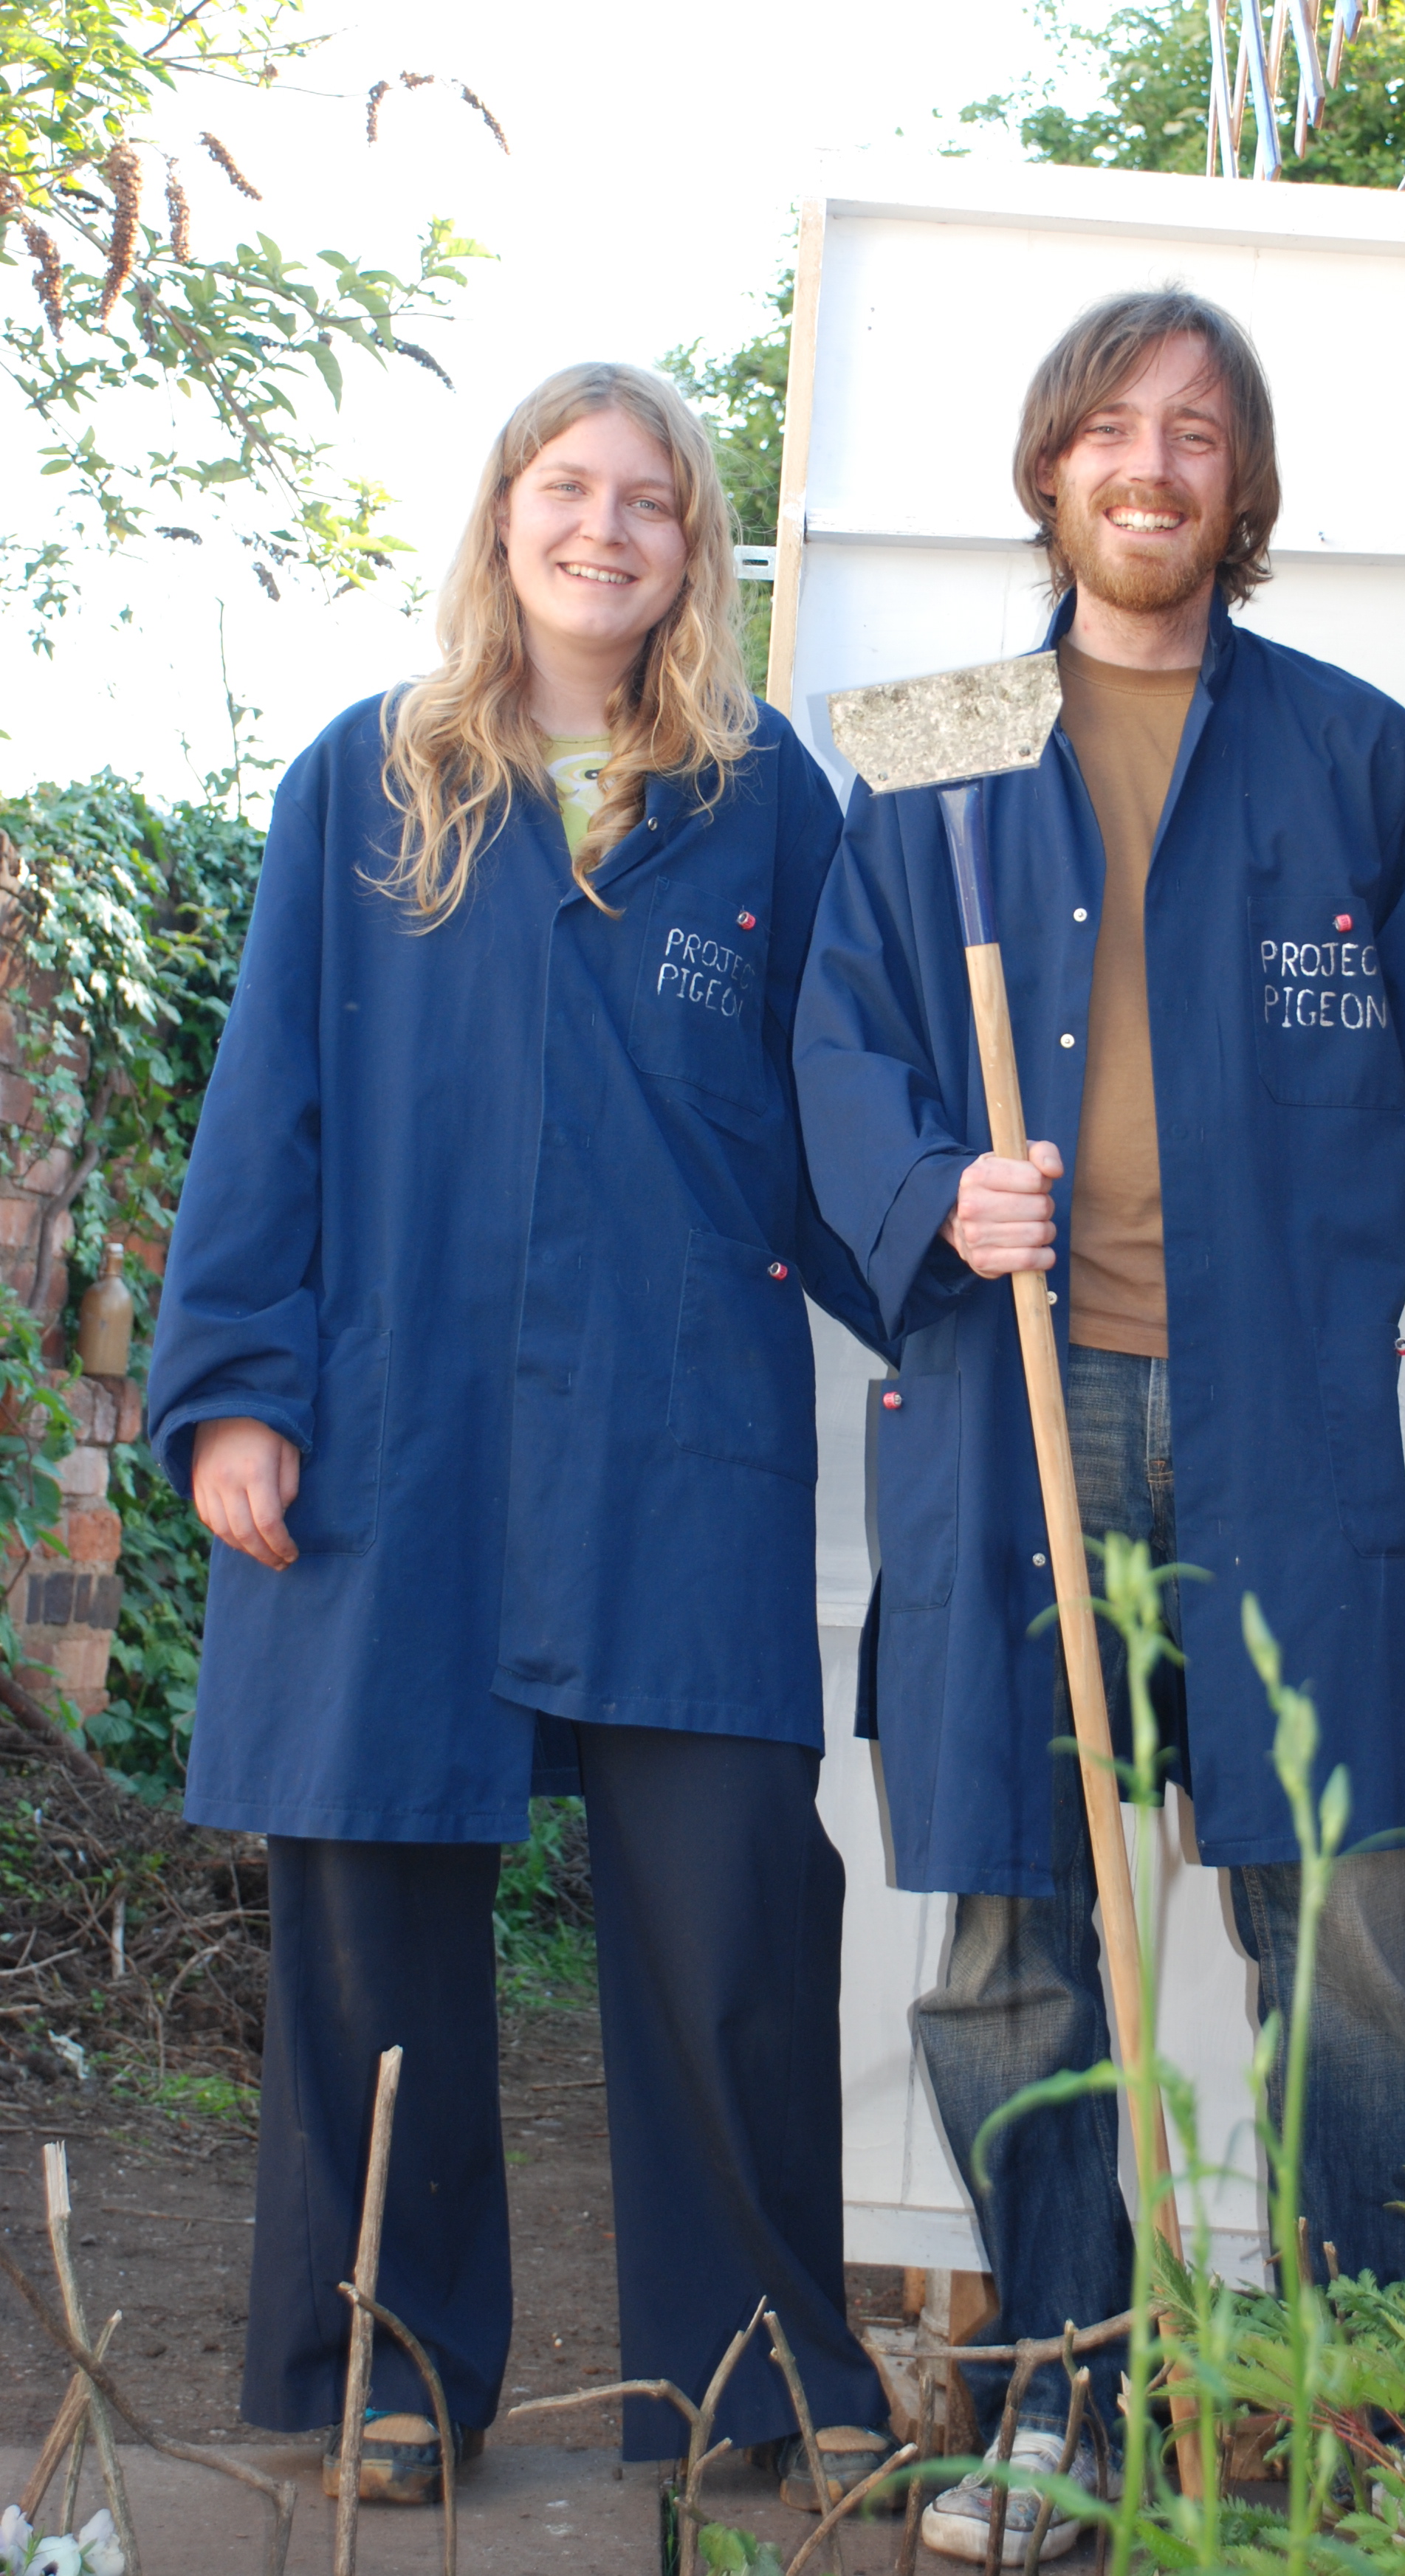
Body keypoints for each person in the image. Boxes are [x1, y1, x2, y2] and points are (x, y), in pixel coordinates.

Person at [147, 362, 894, 2508]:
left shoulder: (767, 804)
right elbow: (266, 1100)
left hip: (674, 1432)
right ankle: (385, 2369)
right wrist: (233, 1394)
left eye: (648, 501)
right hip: (404, 1427)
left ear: (695, 550)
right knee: (375, 1888)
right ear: (502, 521)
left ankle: (760, 2379)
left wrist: (942, 1284)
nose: (603, 529)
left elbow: (839, 1115)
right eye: (566, 490)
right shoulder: (367, 781)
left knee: (735, 1902)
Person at [794, 289, 1405, 2559]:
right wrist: (929, 1186)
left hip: (1277, 1429)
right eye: (1113, 425)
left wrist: (1292, 1269)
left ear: (1242, 490)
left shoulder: (1357, 756)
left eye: (1198, 435)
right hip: (1019, 1418)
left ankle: (1359, 2404)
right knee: (1010, 1925)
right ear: (1051, 466)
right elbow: (832, 1054)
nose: (1154, 466)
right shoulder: (932, 741)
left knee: (1341, 1914)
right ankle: (1057, 2404)